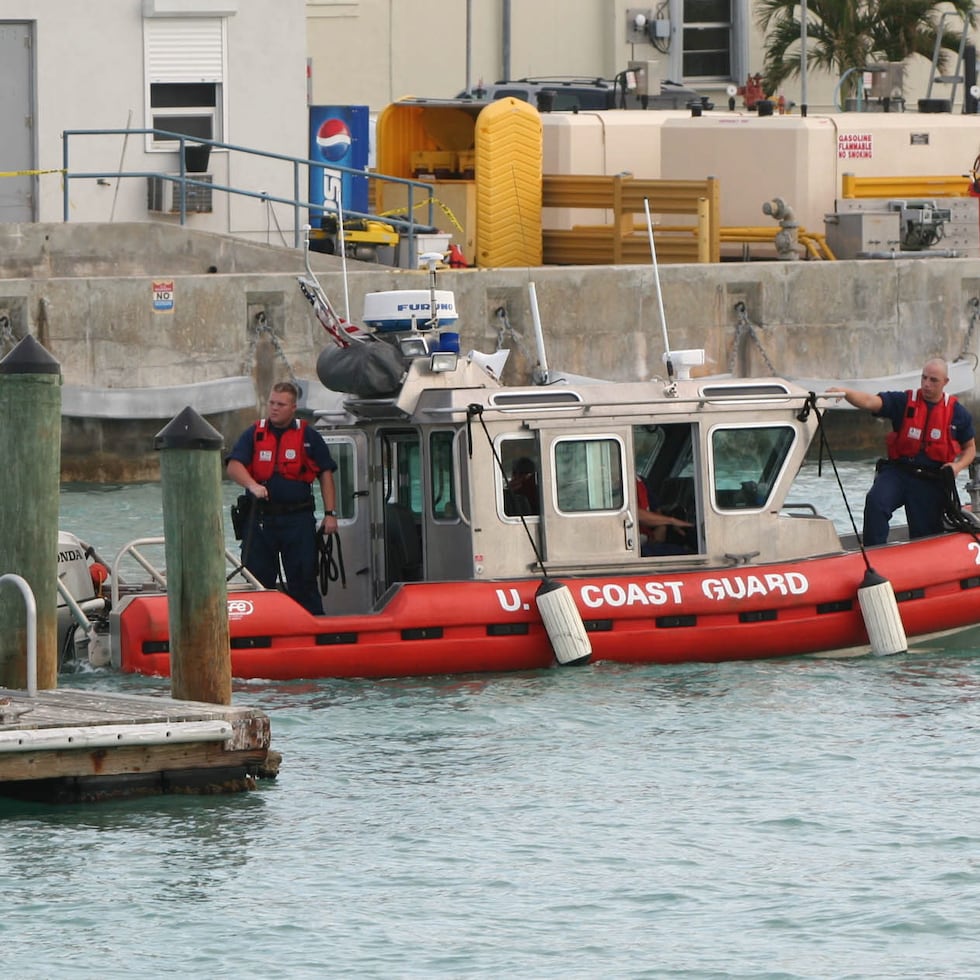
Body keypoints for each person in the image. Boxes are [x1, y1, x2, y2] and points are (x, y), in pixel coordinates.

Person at [829, 357, 976, 546]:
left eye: (933, 380)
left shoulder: (957, 413)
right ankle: (874, 552)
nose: (926, 384)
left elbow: (969, 448)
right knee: (876, 502)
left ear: (945, 382)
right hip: (899, 472)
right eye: (924, 378)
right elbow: (870, 401)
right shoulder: (904, 401)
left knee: (926, 536)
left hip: (931, 480)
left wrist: (957, 466)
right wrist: (846, 392)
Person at [226, 381, 338, 614]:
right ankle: (262, 628)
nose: (274, 408)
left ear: (293, 407)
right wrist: (252, 485)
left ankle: (313, 627)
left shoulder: (309, 436)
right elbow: (234, 465)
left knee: (303, 578)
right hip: (261, 521)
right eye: (272, 403)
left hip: (297, 520)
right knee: (258, 579)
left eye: (281, 404)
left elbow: (325, 474)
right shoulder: (254, 433)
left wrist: (330, 514)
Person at [636, 476, 693, 556]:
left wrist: (663, 525)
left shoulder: (641, 481)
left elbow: (656, 511)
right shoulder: (616, 484)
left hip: (648, 540)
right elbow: (634, 513)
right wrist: (672, 521)